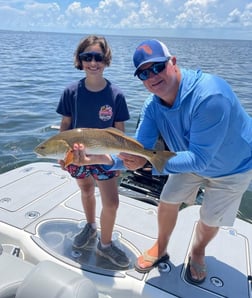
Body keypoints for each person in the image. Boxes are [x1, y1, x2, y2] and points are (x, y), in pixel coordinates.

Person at [70, 38, 252, 283]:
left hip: (233, 167)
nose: (152, 76)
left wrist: (145, 163)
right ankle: (161, 245)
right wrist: (99, 159)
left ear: (173, 62)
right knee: (167, 200)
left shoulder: (210, 96)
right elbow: (140, 151)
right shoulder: (152, 106)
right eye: (144, 73)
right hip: (183, 158)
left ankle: (198, 251)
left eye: (157, 67)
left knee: (210, 219)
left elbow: (196, 159)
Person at [56, 35, 130, 268]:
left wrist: (118, 162)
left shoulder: (116, 95)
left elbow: (120, 135)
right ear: (80, 60)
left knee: (112, 202)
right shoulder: (70, 92)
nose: (92, 62)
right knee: (86, 190)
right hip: (77, 157)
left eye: (98, 57)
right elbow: (65, 127)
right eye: (87, 57)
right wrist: (62, 156)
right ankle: (90, 226)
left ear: (106, 60)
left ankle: (105, 245)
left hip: (105, 156)